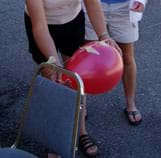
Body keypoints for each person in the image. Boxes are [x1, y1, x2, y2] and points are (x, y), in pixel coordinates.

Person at [24, 0, 121, 157]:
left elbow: (93, 3)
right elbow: (40, 27)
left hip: (71, 22)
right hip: (42, 26)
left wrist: (104, 35)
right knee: (53, 80)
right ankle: (55, 139)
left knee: (78, 80)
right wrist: (54, 63)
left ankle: (81, 132)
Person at [84, 0, 147, 125]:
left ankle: (131, 104)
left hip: (125, 8)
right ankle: (82, 105)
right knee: (88, 55)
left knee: (127, 56)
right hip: (90, 5)